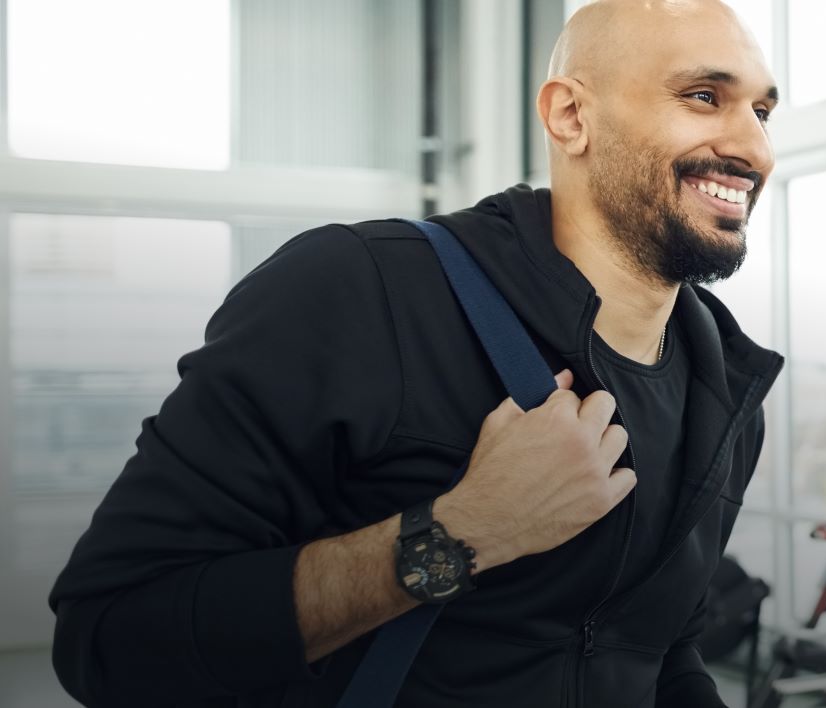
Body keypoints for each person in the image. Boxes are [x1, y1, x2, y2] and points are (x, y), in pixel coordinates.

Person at [46, 1, 781, 705]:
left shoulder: (723, 385)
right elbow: (110, 635)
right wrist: (462, 532)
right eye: (702, 95)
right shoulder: (361, 291)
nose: (752, 147)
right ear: (570, 115)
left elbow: (658, 653)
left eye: (762, 111)